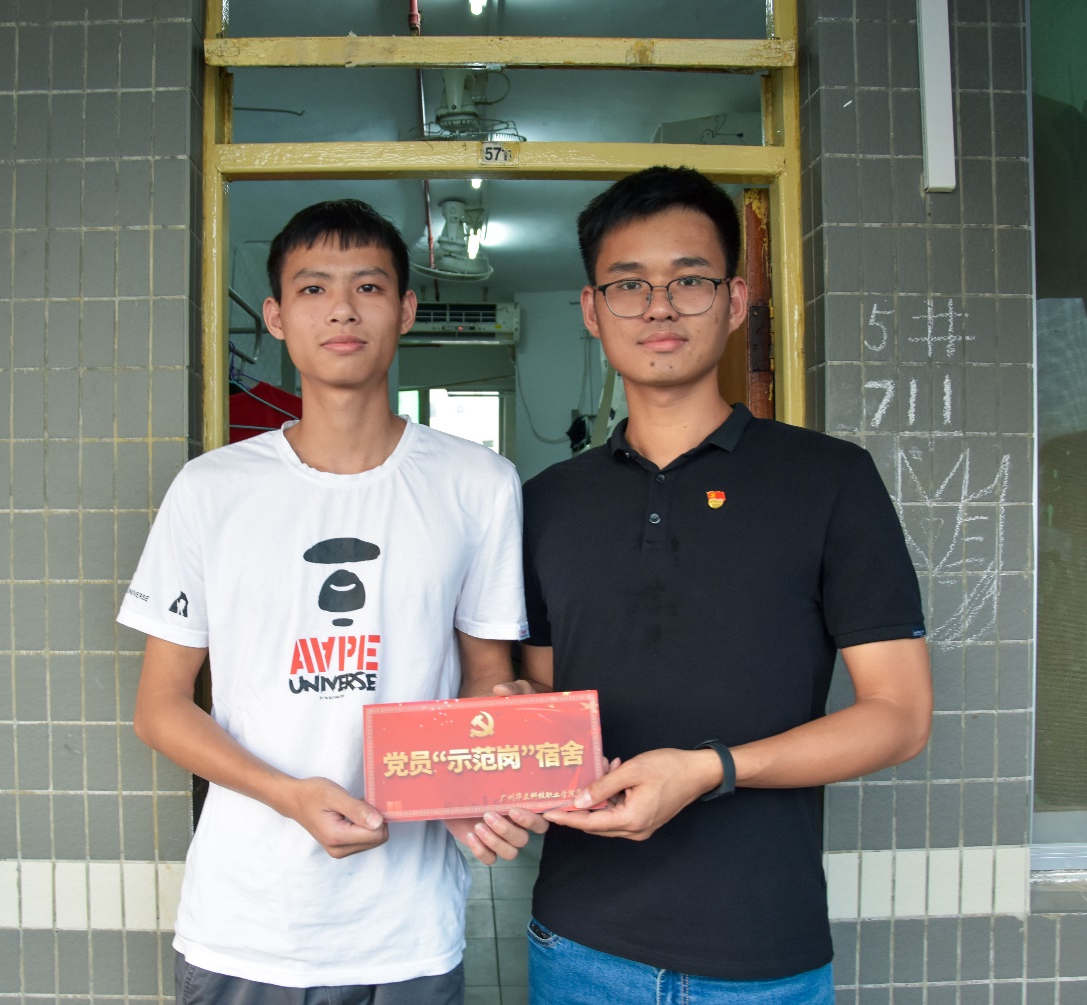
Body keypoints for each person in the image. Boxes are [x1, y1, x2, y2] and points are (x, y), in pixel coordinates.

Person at [506, 167, 933, 1004]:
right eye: (628, 284)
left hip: (761, 955)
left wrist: (713, 768)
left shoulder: (829, 479)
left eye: (688, 280)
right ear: (591, 309)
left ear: (735, 300)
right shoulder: (546, 502)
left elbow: (899, 715)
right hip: (576, 945)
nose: (658, 307)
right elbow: (548, 703)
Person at [118, 199, 545, 1005]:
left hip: (407, 926)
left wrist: (480, 778)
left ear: (406, 309)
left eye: (368, 286)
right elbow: (159, 707)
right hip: (247, 920)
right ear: (276, 315)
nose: (342, 309)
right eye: (313, 288)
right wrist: (288, 795)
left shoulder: (478, 483)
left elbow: (485, 675)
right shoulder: (211, 489)